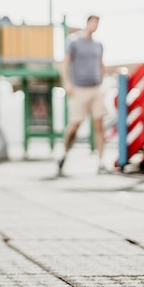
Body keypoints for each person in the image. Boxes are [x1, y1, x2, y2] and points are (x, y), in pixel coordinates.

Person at [57, 15, 107, 175]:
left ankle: (100, 161)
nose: (95, 25)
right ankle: (64, 153)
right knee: (75, 125)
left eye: (97, 23)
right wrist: (67, 83)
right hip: (79, 88)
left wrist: (102, 80)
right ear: (87, 23)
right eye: (93, 22)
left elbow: (101, 64)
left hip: (95, 88)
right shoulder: (73, 41)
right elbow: (64, 63)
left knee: (99, 124)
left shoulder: (98, 45)